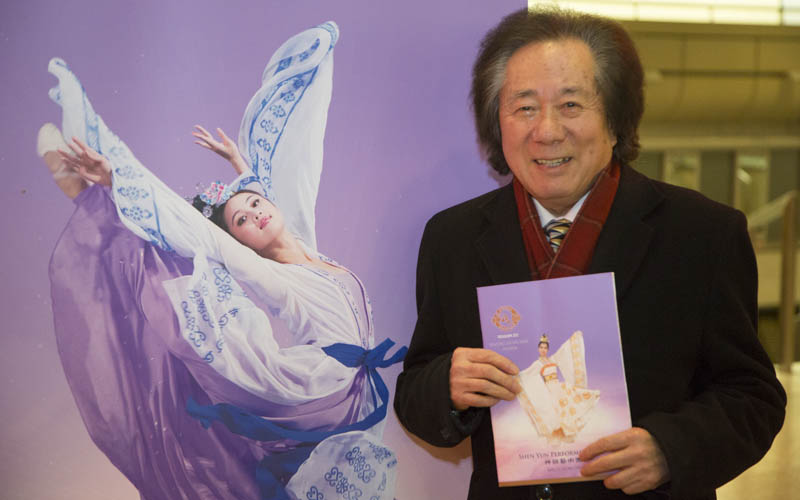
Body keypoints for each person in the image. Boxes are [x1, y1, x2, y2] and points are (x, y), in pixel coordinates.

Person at [393, 7, 786, 500]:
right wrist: (447, 387)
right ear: (498, 123)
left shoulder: (702, 234)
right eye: (524, 107)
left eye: (571, 105)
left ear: (616, 122)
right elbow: (415, 390)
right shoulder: (452, 237)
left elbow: (752, 397)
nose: (547, 130)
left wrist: (670, 449)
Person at [41, 22, 403, 500]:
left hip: (356, 392)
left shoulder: (308, 246)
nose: (255, 214)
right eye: (241, 221)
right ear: (242, 242)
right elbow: (199, 232)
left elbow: (282, 184)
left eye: (255, 204)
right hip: (314, 387)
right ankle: (94, 199)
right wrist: (117, 178)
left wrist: (238, 164)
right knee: (193, 294)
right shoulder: (271, 273)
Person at [516, 333, 600, 445]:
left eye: (545, 348)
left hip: (558, 387)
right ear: (538, 349)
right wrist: (516, 377)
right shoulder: (537, 364)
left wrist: (574, 339)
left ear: (547, 349)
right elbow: (527, 374)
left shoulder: (552, 359)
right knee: (555, 413)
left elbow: (564, 352)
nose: (543, 350)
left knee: (567, 408)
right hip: (549, 390)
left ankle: (568, 433)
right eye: (541, 347)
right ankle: (557, 436)